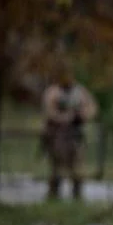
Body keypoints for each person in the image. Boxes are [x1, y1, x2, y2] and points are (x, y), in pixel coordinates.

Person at [41, 70, 99, 201]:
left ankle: (77, 196)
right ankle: (53, 195)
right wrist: (64, 117)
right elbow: (49, 110)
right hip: (57, 134)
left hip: (75, 134)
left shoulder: (79, 91)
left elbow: (92, 108)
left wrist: (82, 115)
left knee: (77, 167)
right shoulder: (54, 91)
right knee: (56, 167)